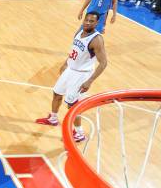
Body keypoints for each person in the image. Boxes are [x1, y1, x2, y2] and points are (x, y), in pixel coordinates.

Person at [35, 12, 108, 142]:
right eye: (87, 20)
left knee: (72, 105)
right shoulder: (79, 32)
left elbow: (103, 63)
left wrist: (89, 81)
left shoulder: (96, 40)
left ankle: (79, 133)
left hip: (82, 75)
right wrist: (65, 63)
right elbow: (74, 50)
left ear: (97, 23)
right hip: (70, 69)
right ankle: (53, 118)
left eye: (92, 21)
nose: (88, 23)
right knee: (57, 93)